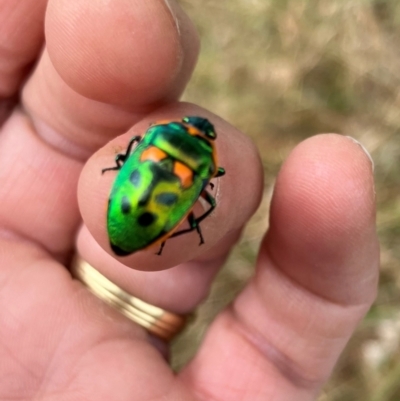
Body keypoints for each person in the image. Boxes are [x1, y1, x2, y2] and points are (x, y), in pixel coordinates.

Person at [0, 0, 379, 399]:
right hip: (152, 218)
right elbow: (209, 195)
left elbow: (135, 145)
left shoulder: (158, 138)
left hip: (132, 204)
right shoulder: (205, 164)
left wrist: (122, 166)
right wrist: (193, 225)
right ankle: (179, 230)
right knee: (209, 202)